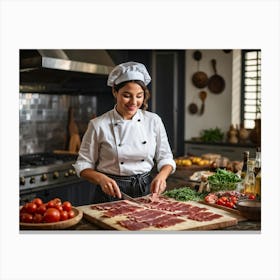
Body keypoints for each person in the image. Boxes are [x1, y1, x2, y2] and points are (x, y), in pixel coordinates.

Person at [73, 61, 176, 203]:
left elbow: (166, 158)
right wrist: (101, 179)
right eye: (127, 95)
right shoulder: (98, 125)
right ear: (115, 92)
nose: (133, 102)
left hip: (146, 190)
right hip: (110, 192)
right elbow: (83, 165)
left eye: (139, 96)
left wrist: (162, 176)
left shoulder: (153, 121)